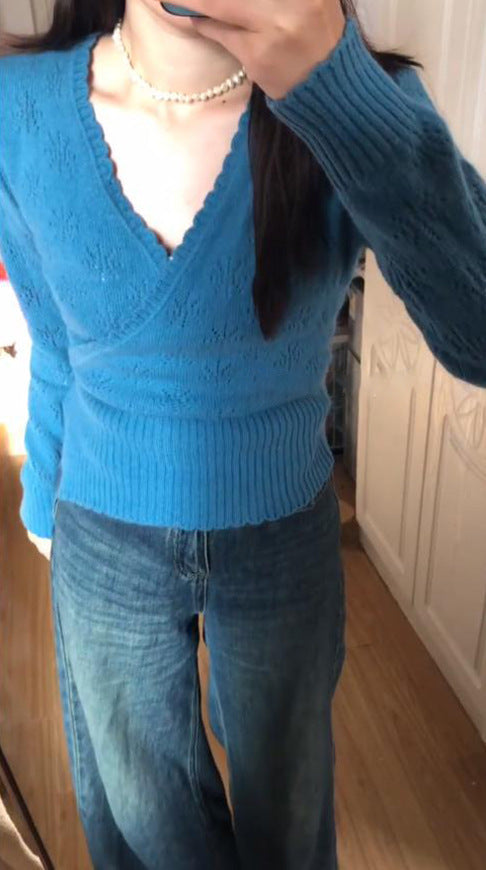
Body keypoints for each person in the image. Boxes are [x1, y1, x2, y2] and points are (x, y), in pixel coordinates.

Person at [1, 1, 485, 868]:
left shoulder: (361, 102)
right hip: (100, 530)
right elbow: (54, 338)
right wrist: (43, 493)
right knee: (148, 823)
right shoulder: (20, 107)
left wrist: (340, 92)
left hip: (284, 532)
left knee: (289, 810)